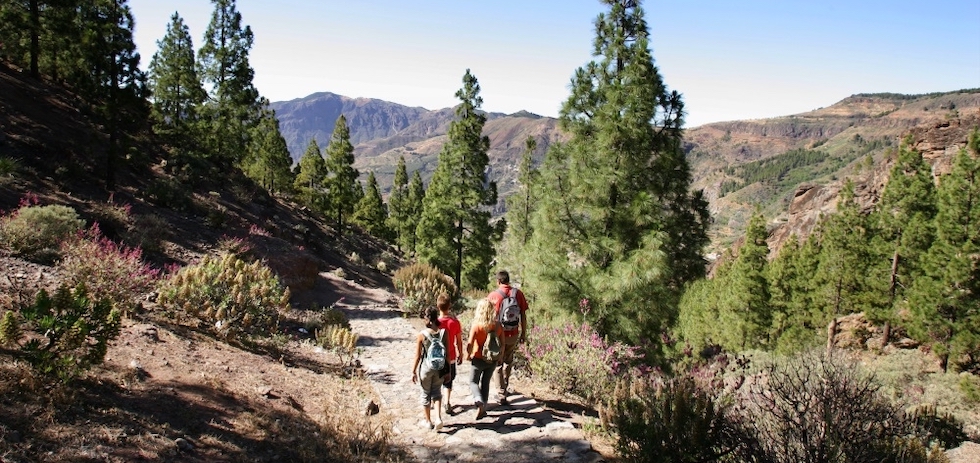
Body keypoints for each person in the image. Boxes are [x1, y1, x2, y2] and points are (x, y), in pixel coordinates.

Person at [486, 270, 528, 405]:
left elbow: (487, 317)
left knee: (498, 362)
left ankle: (501, 394)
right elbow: (523, 315)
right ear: (508, 280)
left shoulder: (493, 295)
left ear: (498, 281)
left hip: (499, 335)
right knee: (508, 361)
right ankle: (505, 385)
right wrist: (523, 333)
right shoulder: (518, 294)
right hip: (513, 333)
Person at [466, 298, 503, 420]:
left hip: (478, 358)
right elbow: (502, 343)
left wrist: (468, 355)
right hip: (492, 360)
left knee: (473, 381)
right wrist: (500, 357)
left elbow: (470, 344)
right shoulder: (498, 325)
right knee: (485, 382)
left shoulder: (476, 326)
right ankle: (484, 407)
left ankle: (478, 400)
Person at [411, 306, 446, 430]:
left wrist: (413, 371)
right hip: (440, 367)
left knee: (426, 394)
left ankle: (428, 421)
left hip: (426, 368)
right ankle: (438, 418)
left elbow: (418, 356)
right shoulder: (443, 333)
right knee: (437, 393)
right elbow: (446, 354)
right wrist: (447, 371)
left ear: (427, 319)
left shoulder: (422, 335)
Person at [437, 293, 464, 415]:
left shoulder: (435, 323)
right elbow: (458, 341)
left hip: (437, 356)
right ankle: (447, 401)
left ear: (438, 306)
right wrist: (460, 353)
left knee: (436, 380)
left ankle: (434, 401)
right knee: (448, 381)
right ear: (450, 306)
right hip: (450, 356)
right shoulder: (455, 322)